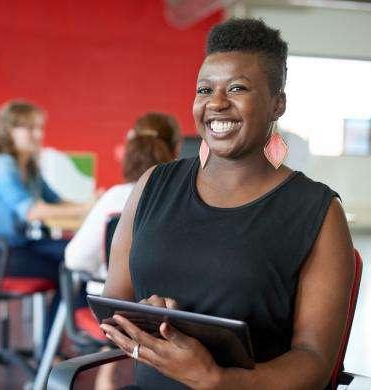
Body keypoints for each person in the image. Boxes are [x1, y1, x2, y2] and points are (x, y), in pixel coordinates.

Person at [100, 19, 354, 389]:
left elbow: (314, 363)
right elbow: (114, 302)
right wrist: (143, 320)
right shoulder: (152, 185)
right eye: (205, 89)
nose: (216, 103)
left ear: (277, 103)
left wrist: (216, 379)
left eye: (238, 88)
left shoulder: (319, 212)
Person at [0, 100, 89, 340]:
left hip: (18, 246)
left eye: (40, 128)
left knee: (81, 253)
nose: (38, 134)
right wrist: (86, 208)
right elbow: (32, 211)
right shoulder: (2, 165)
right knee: (68, 270)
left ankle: (57, 342)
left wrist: (90, 207)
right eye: (30, 128)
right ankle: (51, 348)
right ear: (9, 131)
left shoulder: (30, 166)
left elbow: (55, 202)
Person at [65, 112, 181, 295]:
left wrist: (104, 269)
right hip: (165, 310)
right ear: (177, 149)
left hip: (112, 306)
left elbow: (75, 259)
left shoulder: (114, 198)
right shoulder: (183, 200)